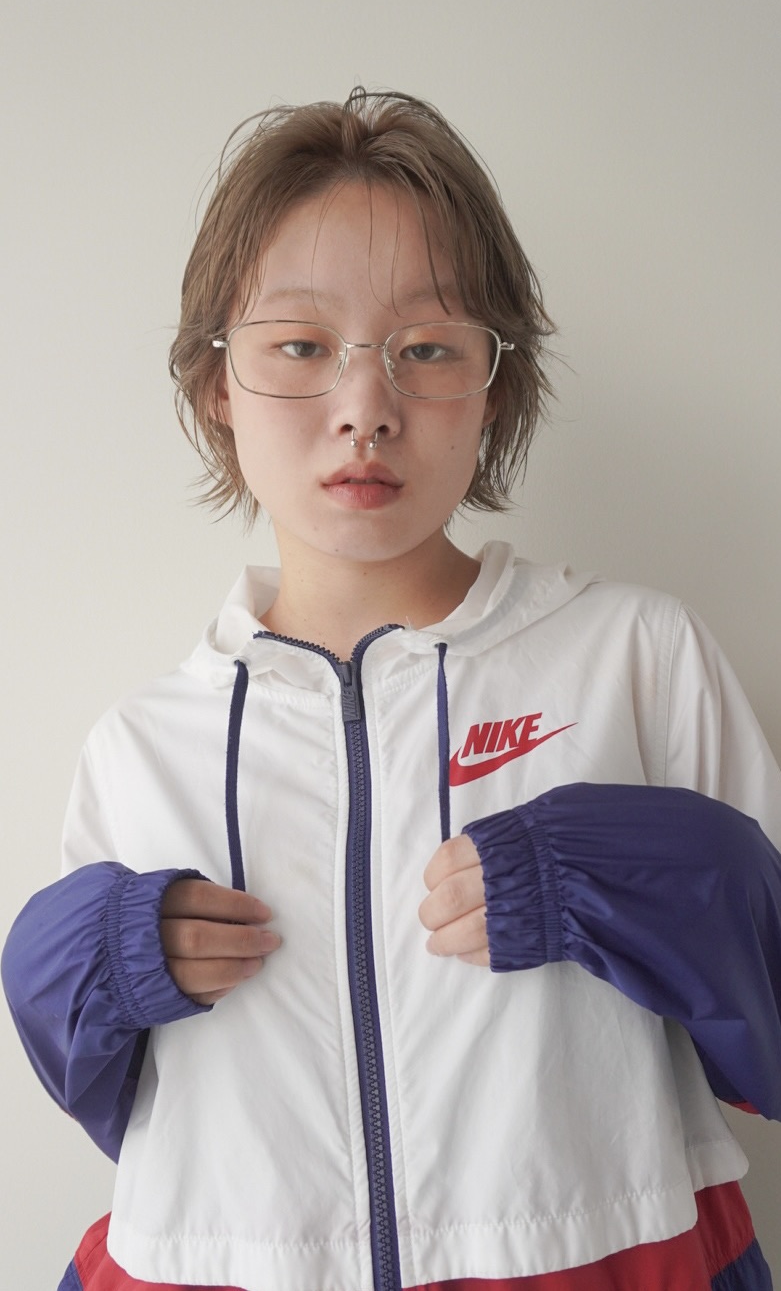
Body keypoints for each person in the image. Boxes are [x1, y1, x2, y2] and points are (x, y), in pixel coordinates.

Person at [3, 88, 781, 1291]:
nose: (365, 407)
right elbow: (98, 1098)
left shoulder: (634, 655)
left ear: (494, 383)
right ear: (216, 382)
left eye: (425, 347)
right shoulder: (139, 742)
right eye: (301, 346)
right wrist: (88, 960)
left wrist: (620, 877)